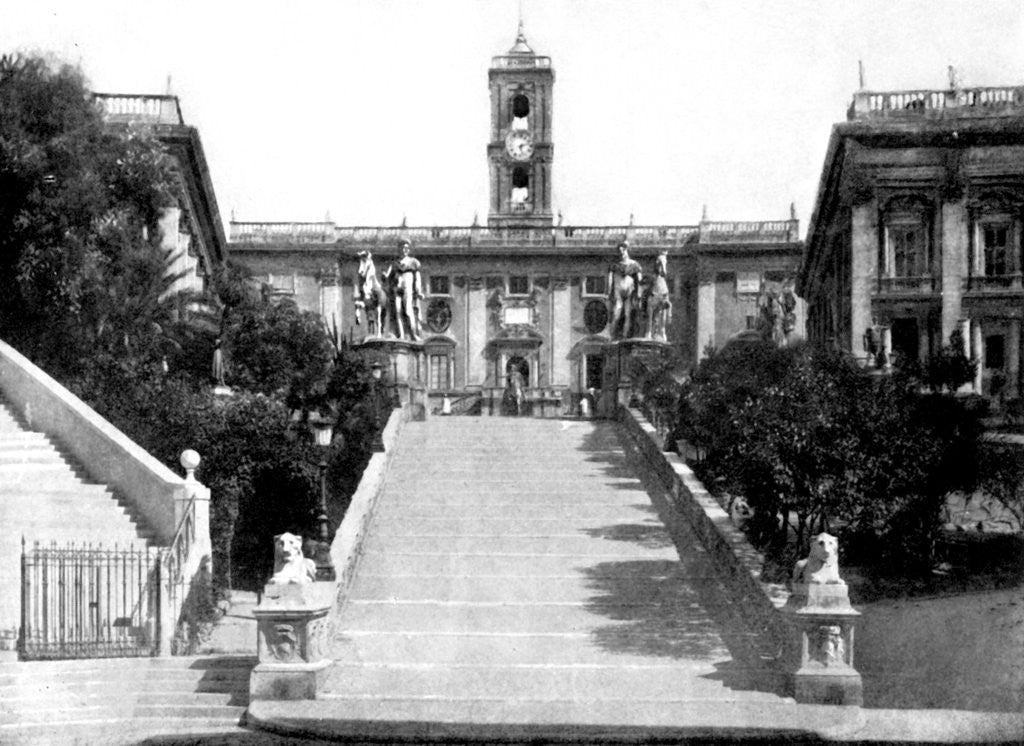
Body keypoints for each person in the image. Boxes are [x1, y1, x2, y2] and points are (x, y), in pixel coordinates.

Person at [607, 241, 643, 339]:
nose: (622, 253)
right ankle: (612, 336)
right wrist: (609, 291)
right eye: (620, 251)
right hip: (617, 292)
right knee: (616, 314)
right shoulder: (614, 265)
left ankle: (624, 336)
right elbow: (610, 279)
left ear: (627, 250)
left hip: (629, 293)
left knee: (628, 315)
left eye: (623, 250)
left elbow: (639, 280)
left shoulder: (634, 265)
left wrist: (639, 293)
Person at [392, 239, 423, 340]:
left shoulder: (413, 262)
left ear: (409, 250)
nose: (404, 250)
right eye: (402, 248)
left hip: (407, 287)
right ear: (399, 249)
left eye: (406, 248)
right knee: (397, 311)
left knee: (408, 310)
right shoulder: (395, 263)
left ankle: (414, 334)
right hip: (397, 288)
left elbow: (417, 278)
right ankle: (401, 335)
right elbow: (390, 278)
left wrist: (418, 291)